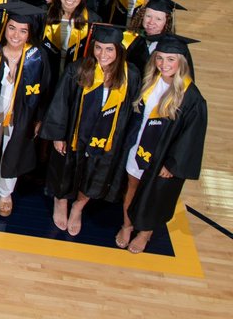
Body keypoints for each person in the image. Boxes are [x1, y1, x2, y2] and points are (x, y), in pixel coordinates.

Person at [39, 24, 140, 236]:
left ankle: (78, 207)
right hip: (76, 134)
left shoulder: (130, 75)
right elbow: (61, 103)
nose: (103, 54)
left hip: (107, 140)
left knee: (95, 176)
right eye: (99, 48)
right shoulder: (79, 69)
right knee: (66, 171)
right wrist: (58, 135)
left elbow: (133, 112)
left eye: (109, 49)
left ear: (119, 51)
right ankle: (62, 201)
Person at [120, 37, 207, 253]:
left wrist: (172, 164)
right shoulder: (149, 80)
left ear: (182, 62)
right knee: (131, 187)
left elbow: (191, 137)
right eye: (160, 58)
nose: (164, 64)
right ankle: (127, 225)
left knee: (154, 196)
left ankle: (145, 232)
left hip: (161, 158)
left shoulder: (192, 98)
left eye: (171, 59)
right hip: (138, 148)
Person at [0, 2, 52, 216]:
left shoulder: (37, 56)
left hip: (21, 117)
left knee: (13, 151)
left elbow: (45, 90)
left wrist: (39, 119)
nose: (16, 35)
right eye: (12, 28)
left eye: (23, 30)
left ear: (29, 33)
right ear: (5, 28)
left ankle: (5, 192)